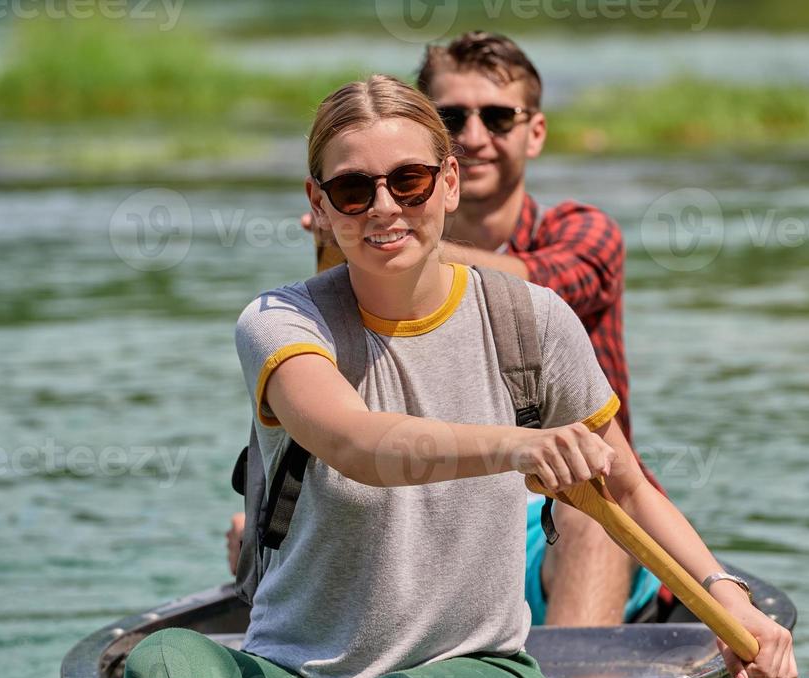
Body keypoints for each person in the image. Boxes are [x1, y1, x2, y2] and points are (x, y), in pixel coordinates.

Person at [133, 76, 795, 678]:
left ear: (449, 182)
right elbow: (358, 443)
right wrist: (517, 445)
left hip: (475, 672)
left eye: (409, 181)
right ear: (321, 203)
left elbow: (623, 488)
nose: (384, 208)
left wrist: (725, 592)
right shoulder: (281, 320)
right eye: (354, 190)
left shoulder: (531, 322)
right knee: (160, 663)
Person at [230, 32, 654, 629]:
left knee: (589, 520)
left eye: (499, 117)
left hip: (559, 503)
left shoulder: (581, 234)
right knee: (256, 526)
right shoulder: (368, 237)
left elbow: (548, 283)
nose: (477, 137)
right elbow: (353, 402)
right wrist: (373, 240)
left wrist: (387, 237)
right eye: (455, 118)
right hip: (424, 492)